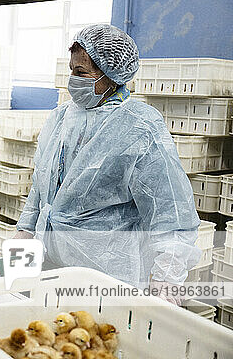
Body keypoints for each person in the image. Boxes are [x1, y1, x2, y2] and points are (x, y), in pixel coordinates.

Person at [13, 24, 200, 304]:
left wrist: (165, 280)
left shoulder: (139, 126)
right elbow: (41, 189)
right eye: (72, 70)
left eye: (82, 73)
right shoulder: (61, 118)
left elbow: (170, 212)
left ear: (111, 76)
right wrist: (23, 240)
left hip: (106, 273)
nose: (72, 80)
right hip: (50, 264)